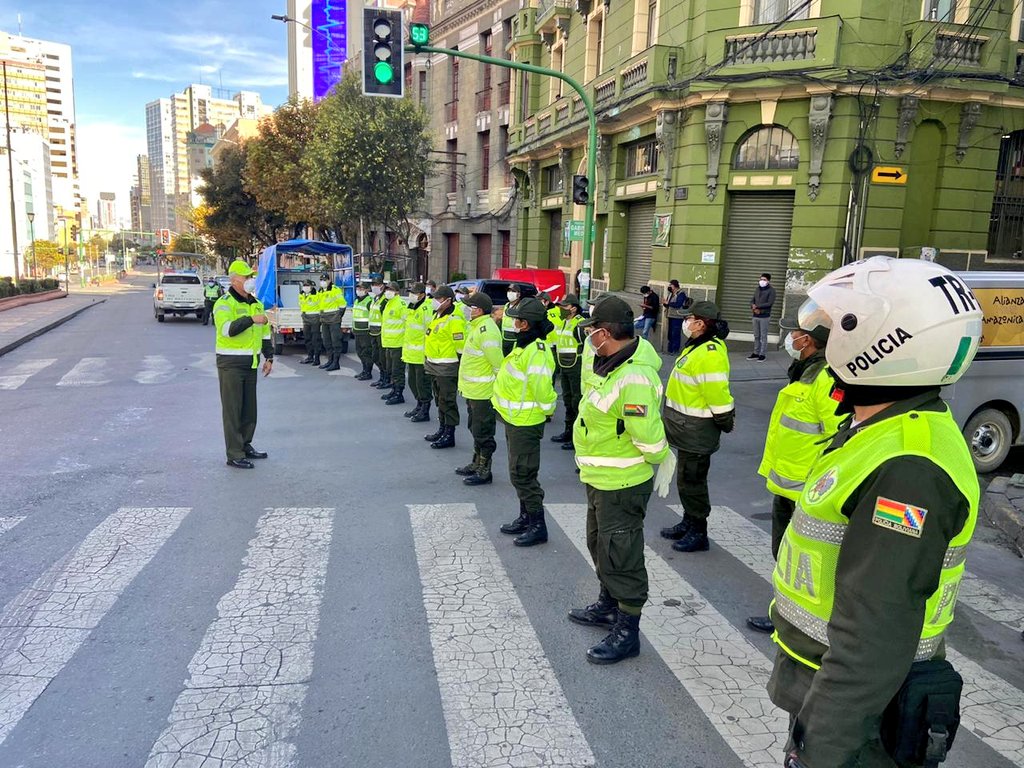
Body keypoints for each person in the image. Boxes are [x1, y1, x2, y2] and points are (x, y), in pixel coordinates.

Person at [767, 256, 983, 768]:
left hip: (860, 718)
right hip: (829, 690)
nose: (818, 340)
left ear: (882, 344)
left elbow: (873, 638)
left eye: (835, 327)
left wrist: (818, 749)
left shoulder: (908, 469)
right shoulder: (881, 428)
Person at [569, 296, 670, 664]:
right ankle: (608, 604)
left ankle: (628, 629)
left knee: (622, 555)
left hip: (622, 482)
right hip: (600, 477)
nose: (588, 337)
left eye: (592, 331)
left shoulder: (635, 376)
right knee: (600, 545)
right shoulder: (610, 363)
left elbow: (649, 438)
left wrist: (663, 458)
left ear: (606, 333)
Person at [746, 315, 841, 635]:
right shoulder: (804, 373)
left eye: (796, 334)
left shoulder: (826, 379)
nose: (791, 339)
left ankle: (801, 623)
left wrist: (820, 484)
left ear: (809, 341)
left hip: (807, 491)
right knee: (786, 557)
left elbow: (837, 438)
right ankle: (785, 615)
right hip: (788, 484)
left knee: (805, 563)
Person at [659, 300, 735, 552]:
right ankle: (689, 521)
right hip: (687, 429)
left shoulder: (709, 353)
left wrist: (725, 421)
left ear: (701, 324)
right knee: (686, 480)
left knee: (693, 482)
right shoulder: (697, 347)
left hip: (697, 431)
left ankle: (699, 531)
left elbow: (718, 394)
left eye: (690, 318)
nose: (686, 322)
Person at [494, 297, 557, 547]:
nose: (513, 324)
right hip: (515, 420)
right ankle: (525, 516)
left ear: (527, 324)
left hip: (526, 423)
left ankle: (538, 525)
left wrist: (546, 411)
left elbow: (544, 392)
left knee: (524, 475)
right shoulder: (523, 346)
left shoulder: (536, 352)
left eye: (517, 321)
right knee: (517, 472)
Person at [213, 260, 273, 469]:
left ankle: (245, 445)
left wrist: (269, 357)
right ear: (234, 280)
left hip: (251, 363)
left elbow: (265, 332)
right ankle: (234, 453)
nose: (250, 280)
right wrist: (251, 319)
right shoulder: (224, 303)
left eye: (251, 277)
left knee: (249, 411)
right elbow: (227, 329)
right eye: (246, 277)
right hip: (230, 364)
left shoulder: (255, 303)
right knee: (232, 411)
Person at [456, 291, 504, 486]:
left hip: (483, 392)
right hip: (473, 390)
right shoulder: (477, 327)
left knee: (483, 431)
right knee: (475, 428)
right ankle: (477, 462)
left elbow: (498, 365)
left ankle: (485, 469)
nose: (467, 310)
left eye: (470, 307)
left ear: (479, 310)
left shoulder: (487, 330)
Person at [424, 285, 465, 449]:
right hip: (434, 365)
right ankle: (442, 428)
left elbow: (460, 346)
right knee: (439, 399)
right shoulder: (437, 315)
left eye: (439, 299)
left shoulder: (454, 320)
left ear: (448, 300)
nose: (435, 301)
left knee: (447, 400)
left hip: (447, 367)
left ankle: (449, 434)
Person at [549, 294, 586, 451]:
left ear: (573, 308)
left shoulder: (580, 324)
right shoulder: (564, 322)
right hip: (564, 366)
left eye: (564, 306)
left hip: (576, 366)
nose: (561, 309)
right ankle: (568, 431)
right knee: (567, 399)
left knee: (576, 401)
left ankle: (576, 437)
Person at [402, 282, 433, 422]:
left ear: (422, 294)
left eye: (414, 293)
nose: (411, 295)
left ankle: (425, 409)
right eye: (411, 292)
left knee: (422, 384)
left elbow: (430, 332)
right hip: (410, 354)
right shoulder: (412, 307)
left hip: (421, 355)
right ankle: (419, 404)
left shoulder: (426, 308)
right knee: (413, 382)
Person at [380, 281, 408, 405]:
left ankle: (399, 393)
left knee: (397, 370)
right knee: (390, 369)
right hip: (389, 342)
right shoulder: (388, 303)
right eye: (387, 289)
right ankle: (393, 389)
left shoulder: (400, 304)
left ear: (397, 291)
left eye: (390, 289)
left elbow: (407, 322)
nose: (387, 291)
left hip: (398, 343)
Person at [317, 273, 347, 372]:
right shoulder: (320, 291)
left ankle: (336, 362)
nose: (323, 282)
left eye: (325, 280)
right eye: (321, 280)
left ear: (330, 280)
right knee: (326, 341)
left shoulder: (335, 290)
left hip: (334, 320)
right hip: (324, 320)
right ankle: (330, 360)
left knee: (336, 342)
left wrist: (338, 317)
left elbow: (342, 305)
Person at [749, 272, 776, 361]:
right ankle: (756, 352)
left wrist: (758, 306)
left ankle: (762, 354)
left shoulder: (771, 291)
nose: (762, 281)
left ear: (768, 281)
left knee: (763, 336)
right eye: (761, 279)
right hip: (755, 315)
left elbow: (769, 303)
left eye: (764, 280)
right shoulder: (757, 289)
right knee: (756, 335)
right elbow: (752, 300)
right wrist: (753, 306)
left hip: (764, 316)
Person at [351, 282, 374, 379]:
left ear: (367, 290)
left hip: (365, 332)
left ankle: (368, 372)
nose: (359, 290)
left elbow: (372, 317)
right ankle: (364, 370)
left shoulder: (369, 301)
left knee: (366, 353)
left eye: (361, 288)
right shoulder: (357, 301)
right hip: (357, 330)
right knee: (359, 352)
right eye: (358, 288)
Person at [368, 279, 388, 388]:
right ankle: (382, 376)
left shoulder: (384, 300)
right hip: (373, 331)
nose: (374, 287)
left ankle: (386, 378)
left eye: (377, 285)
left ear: (382, 286)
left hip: (381, 332)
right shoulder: (375, 298)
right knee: (375, 357)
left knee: (382, 358)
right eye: (373, 285)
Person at [662, 279, 690, 354]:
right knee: (670, 334)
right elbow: (668, 304)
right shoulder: (671, 293)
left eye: (670, 285)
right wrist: (665, 303)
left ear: (674, 286)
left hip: (677, 317)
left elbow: (678, 304)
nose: (669, 287)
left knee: (675, 333)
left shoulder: (681, 293)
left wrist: (669, 303)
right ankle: (670, 350)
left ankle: (675, 350)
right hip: (670, 315)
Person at [501, 283, 525, 356]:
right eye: (509, 291)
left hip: (515, 339)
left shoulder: (521, 306)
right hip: (504, 338)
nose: (510, 293)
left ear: (519, 294)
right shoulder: (506, 305)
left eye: (513, 291)